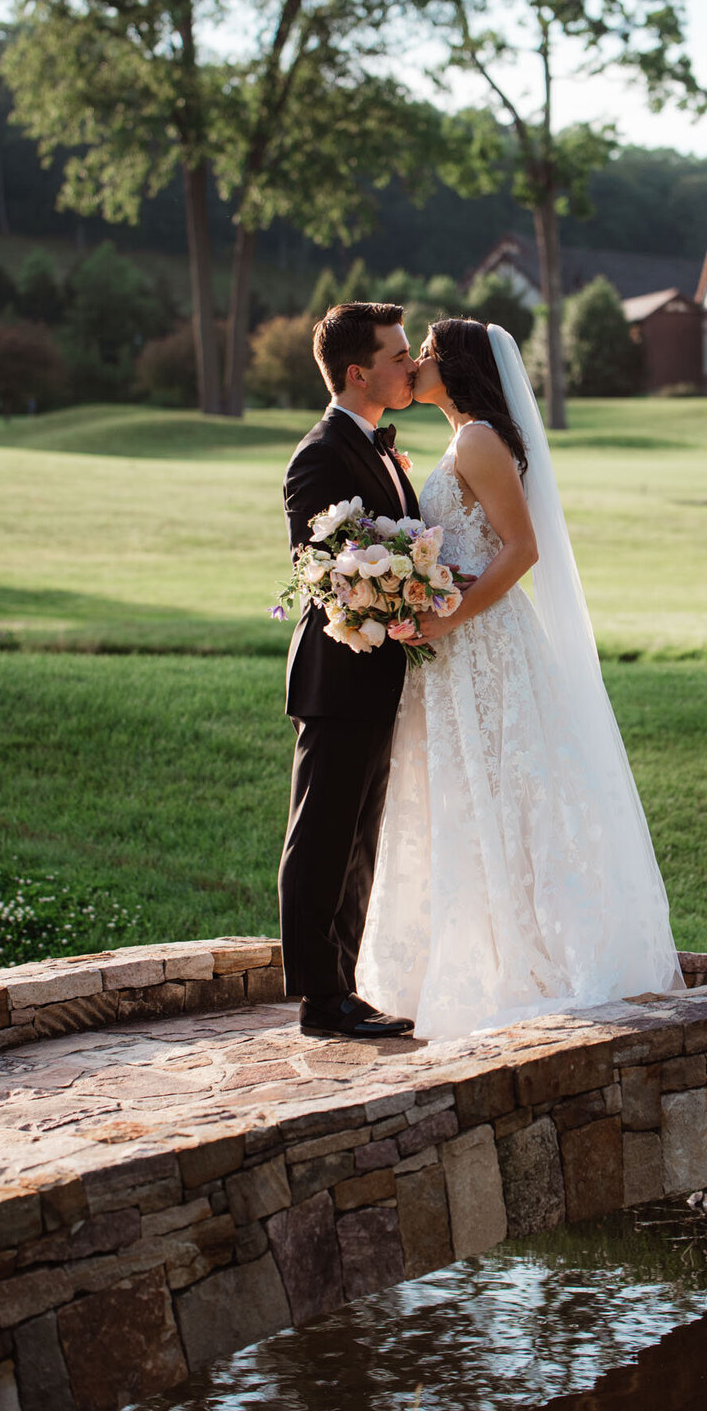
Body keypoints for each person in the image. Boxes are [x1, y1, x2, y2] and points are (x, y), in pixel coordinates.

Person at [357, 317, 682, 1041]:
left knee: (501, 794)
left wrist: (448, 617)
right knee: (467, 797)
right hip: (453, 647)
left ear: (461, 368)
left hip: (484, 645)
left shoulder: (477, 439)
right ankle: (472, 955)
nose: (415, 366)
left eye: (428, 356)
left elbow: (521, 548)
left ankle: (528, 959)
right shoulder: (459, 439)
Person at [278, 303, 421, 1039]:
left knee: (360, 838)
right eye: (398, 355)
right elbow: (321, 569)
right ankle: (317, 996)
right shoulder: (319, 453)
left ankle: (342, 985)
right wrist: (398, 583)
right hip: (337, 674)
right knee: (322, 835)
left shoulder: (385, 449)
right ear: (359, 371)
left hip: (380, 676)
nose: (410, 365)